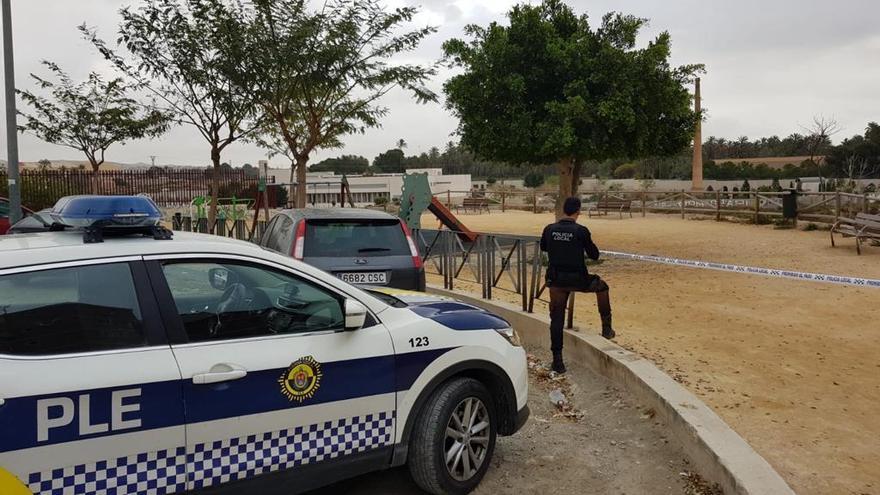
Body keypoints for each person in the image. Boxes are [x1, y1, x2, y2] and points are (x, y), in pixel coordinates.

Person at [539, 196, 615, 373]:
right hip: (578, 280)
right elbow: (594, 255)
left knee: (556, 318)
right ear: (578, 211)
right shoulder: (581, 231)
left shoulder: (549, 229)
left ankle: (557, 360)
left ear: (564, 210)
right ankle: (606, 328)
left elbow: (544, 247)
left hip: (556, 280)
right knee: (602, 287)